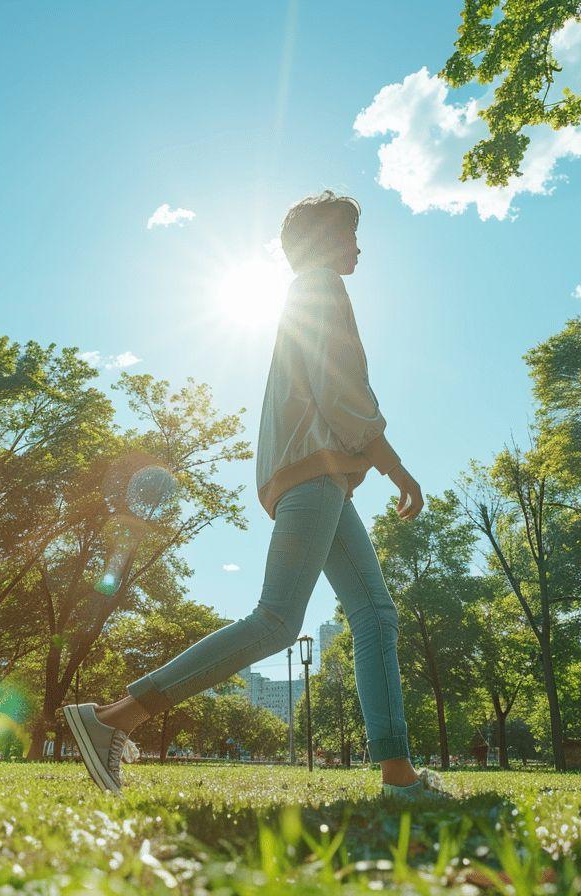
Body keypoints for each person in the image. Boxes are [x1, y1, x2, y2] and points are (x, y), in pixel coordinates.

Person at [62, 190, 452, 802]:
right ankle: (115, 718)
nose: (359, 247)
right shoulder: (321, 287)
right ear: (326, 242)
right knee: (276, 621)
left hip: (314, 476)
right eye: (351, 234)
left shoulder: (303, 294)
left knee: (375, 615)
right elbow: (341, 386)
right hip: (315, 473)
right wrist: (394, 465)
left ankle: (398, 772)